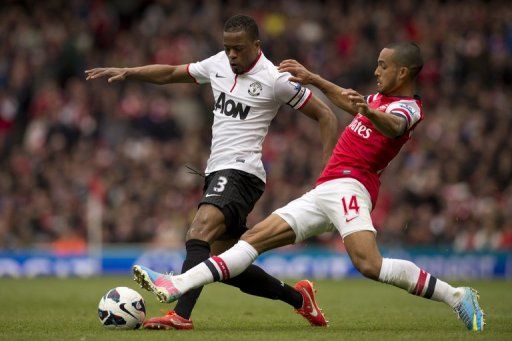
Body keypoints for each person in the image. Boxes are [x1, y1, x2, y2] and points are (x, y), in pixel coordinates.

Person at [132, 42, 486, 332]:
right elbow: (351, 103)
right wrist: (314, 78)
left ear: (403, 72)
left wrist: (368, 111)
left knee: (370, 265)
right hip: (326, 188)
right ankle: (175, 284)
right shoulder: (375, 99)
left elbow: (394, 127)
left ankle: (457, 296)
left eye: (382, 66)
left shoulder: (409, 107)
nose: (376, 71)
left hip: (352, 186)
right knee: (251, 241)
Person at [86, 14, 337, 330]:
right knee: (225, 263)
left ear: (256, 46)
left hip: (242, 172)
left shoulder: (275, 79)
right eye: (228, 48)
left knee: (198, 231)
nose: (232, 55)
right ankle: (300, 300)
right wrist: (130, 72)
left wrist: (329, 173)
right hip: (217, 171)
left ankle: (180, 314)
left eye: (239, 49)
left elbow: (326, 115)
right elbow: (172, 73)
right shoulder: (218, 63)